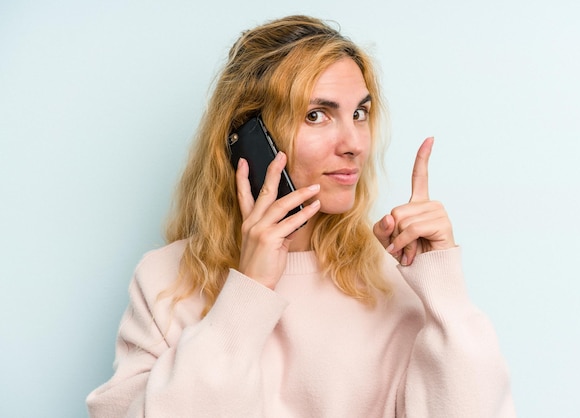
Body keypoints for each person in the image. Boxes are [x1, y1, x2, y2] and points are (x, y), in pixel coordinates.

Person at [86, 15, 516, 417]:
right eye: (317, 115)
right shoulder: (165, 281)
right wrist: (248, 293)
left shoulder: (393, 275)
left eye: (359, 114)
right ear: (251, 140)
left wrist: (446, 294)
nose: (353, 144)